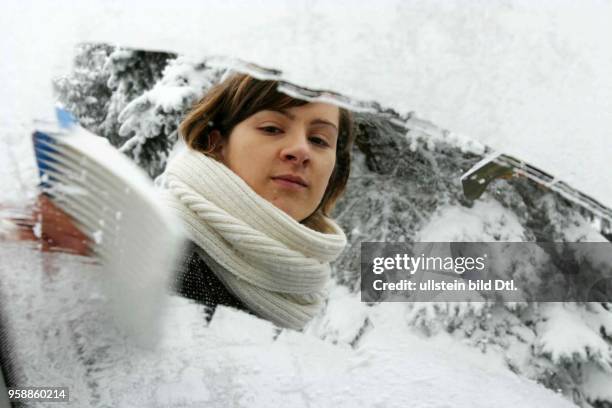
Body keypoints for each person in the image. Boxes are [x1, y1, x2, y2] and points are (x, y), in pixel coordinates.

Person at [161, 73, 355, 330]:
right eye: (272, 129)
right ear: (217, 143)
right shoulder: (154, 251)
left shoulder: (297, 292)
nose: (300, 151)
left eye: (319, 140)